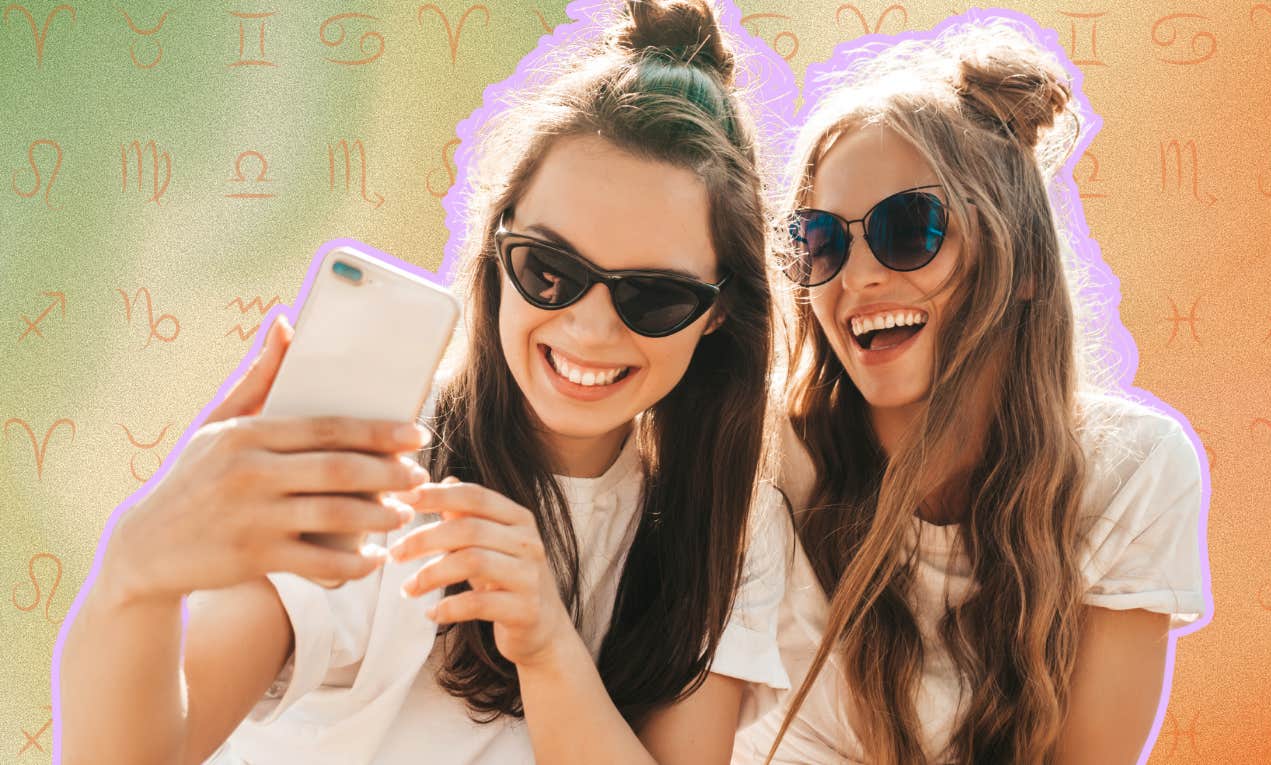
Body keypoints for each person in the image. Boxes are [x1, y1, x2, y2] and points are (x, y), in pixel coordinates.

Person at [58, 1, 794, 762]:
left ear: (718, 311)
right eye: (549, 269)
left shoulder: (730, 522)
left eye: (654, 296)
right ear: (496, 249)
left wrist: (547, 647)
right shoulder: (379, 468)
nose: (589, 328)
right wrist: (136, 576)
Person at [734, 16, 1207, 765]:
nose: (856, 277)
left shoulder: (1131, 474)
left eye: (909, 228)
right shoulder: (756, 458)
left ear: (1021, 265)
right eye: (820, 239)